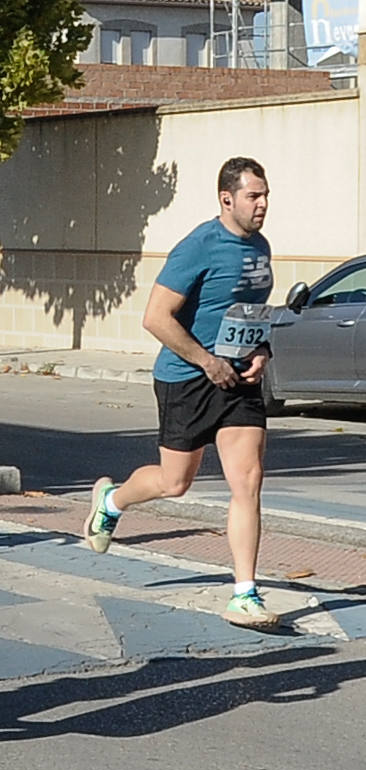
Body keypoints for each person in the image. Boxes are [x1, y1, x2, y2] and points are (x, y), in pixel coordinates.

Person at [84, 157, 278, 629]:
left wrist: (261, 353)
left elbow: (249, 313)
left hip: (237, 384)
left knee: (247, 481)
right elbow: (155, 317)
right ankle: (111, 501)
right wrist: (205, 360)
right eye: (254, 196)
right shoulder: (198, 246)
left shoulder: (261, 247)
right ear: (226, 199)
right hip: (187, 379)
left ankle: (245, 593)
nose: (263, 205)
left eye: (266, 195)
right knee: (175, 483)